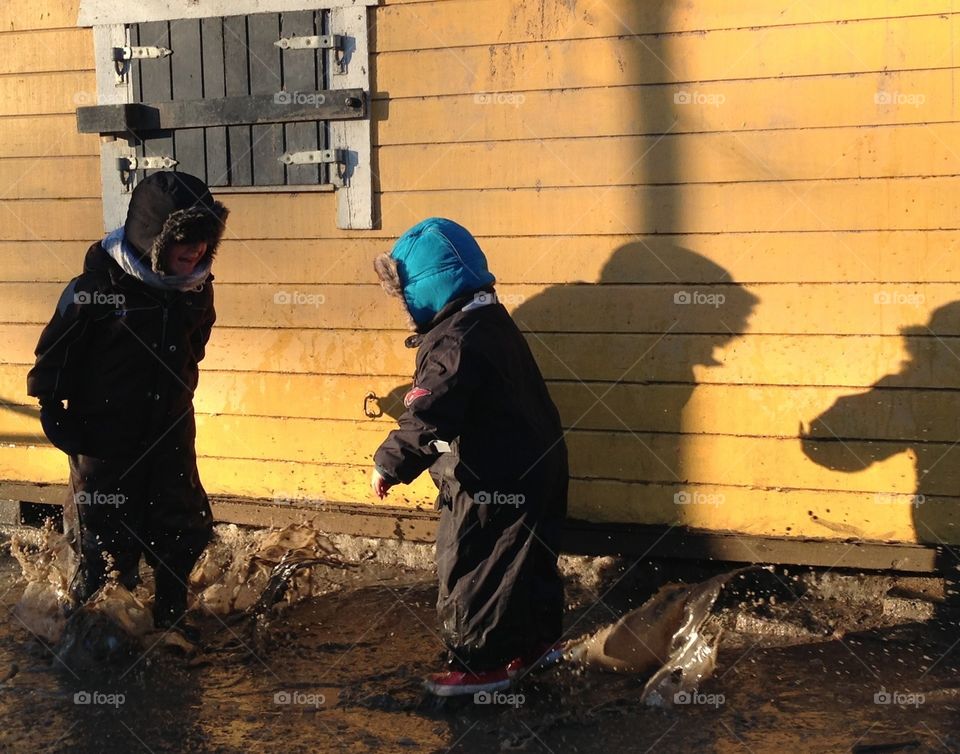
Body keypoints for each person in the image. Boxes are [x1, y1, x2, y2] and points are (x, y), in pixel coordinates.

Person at [371, 217, 569, 696]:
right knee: (527, 560)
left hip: (490, 479)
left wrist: (389, 462)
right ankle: (536, 646)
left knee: (472, 565)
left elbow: (431, 414)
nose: (403, 306)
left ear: (429, 287)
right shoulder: (491, 321)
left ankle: (480, 665)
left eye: (405, 294)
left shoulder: (454, 341)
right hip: (538, 468)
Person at [26, 171, 228, 636]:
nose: (196, 251)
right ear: (153, 236)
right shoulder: (97, 287)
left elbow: (196, 342)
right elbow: (55, 351)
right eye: (184, 241)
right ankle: (94, 630)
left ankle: (171, 615)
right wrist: (53, 408)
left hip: (171, 431)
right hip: (105, 438)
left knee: (179, 527)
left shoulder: (196, 287)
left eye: (204, 242)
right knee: (105, 538)